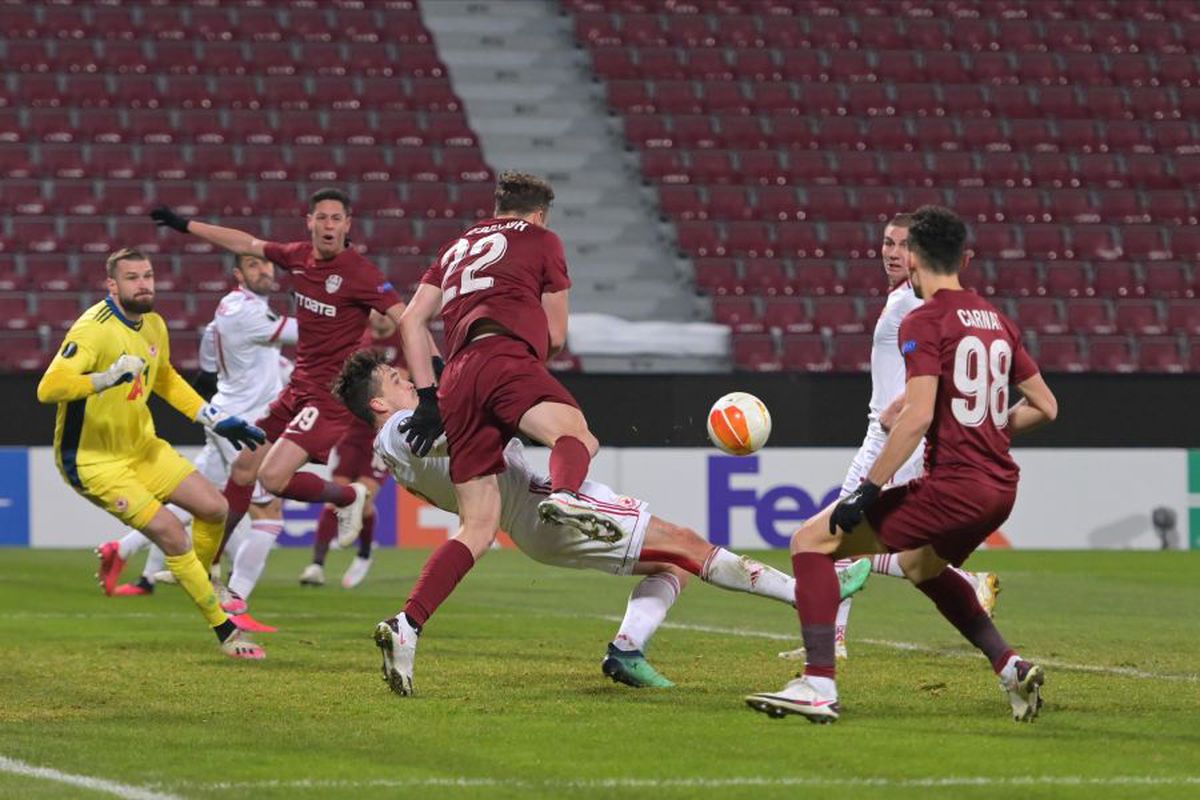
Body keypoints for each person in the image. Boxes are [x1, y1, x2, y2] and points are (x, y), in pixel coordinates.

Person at [331, 350, 872, 694]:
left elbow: (469, 438)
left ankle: (627, 650)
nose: (411, 385)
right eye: (400, 380)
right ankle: (806, 594)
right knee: (687, 545)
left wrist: (457, 385)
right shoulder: (402, 429)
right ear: (380, 401)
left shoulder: (394, 451)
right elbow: (470, 424)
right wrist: (468, 385)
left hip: (529, 521)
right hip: (548, 504)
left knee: (675, 564)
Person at [745, 206, 1059, 723]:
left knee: (810, 542)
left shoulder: (923, 319)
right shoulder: (998, 321)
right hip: (1001, 487)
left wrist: (866, 492)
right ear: (966, 258)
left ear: (911, 257)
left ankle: (817, 685)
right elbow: (1047, 406)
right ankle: (1010, 666)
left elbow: (912, 418)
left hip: (954, 485)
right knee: (920, 566)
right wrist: (986, 428)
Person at [384, 172, 637, 685]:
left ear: (498, 206)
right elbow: (558, 336)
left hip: (455, 378)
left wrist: (429, 396)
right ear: (540, 213)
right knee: (576, 436)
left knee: (477, 527)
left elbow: (410, 321)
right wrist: (529, 350)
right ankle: (566, 496)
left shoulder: (456, 246)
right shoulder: (544, 240)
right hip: (502, 357)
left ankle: (407, 624)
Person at [150, 188, 408, 563]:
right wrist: (185, 225)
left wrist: (434, 373)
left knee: (271, 480)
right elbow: (245, 243)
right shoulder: (298, 257)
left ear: (347, 224)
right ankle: (210, 562)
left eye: (337, 218)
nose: (329, 224)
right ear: (310, 222)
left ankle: (349, 496)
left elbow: (407, 318)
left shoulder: (361, 273)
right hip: (297, 388)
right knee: (243, 469)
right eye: (322, 217)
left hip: (330, 397)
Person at [36, 247, 267, 659]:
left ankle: (196, 575)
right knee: (171, 533)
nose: (143, 284)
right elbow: (49, 388)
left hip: (142, 447)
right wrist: (104, 378)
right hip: (93, 461)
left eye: (147, 276)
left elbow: (166, 380)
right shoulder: (94, 329)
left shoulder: (153, 324)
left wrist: (215, 418)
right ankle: (226, 630)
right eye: (132, 278)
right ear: (112, 285)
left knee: (215, 508)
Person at [822, 214, 998, 660]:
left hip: (893, 437)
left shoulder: (915, 304)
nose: (892, 252)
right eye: (886, 243)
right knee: (861, 541)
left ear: (918, 253)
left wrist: (900, 408)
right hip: (884, 432)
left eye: (902, 245)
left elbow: (939, 362)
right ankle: (969, 583)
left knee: (836, 534)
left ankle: (829, 645)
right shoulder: (901, 298)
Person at [98, 254, 297, 633]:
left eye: (268, 265)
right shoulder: (249, 312)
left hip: (225, 414)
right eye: (254, 266)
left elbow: (207, 366)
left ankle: (120, 549)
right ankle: (235, 602)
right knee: (268, 514)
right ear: (239, 274)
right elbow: (303, 334)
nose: (265, 271)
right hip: (243, 426)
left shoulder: (223, 314)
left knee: (189, 502)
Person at [299, 311, 404, 589]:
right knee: (338, 494)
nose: (381, 317)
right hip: (350, 432)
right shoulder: (361, 340)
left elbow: (396, 385)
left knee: (364, 497)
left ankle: (364, 554)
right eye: (376, 312)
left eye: (386, 312)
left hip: (381, 433)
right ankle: (316, 565)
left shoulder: (404, 340)